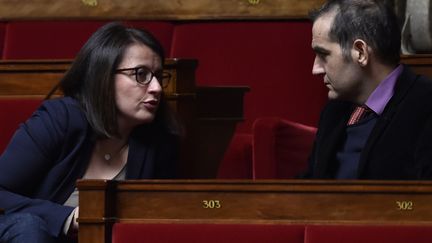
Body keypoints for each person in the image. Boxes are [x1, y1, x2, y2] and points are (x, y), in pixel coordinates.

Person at [0, 22, 180, 242]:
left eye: (158, 76)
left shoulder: (160, 142)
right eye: (140, 74)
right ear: (103, 76)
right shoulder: (61, 119)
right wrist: (69, 217)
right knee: (28, 226)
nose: (157, 88)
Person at [302, 0, 432, 179]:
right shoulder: (333, 112)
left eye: (323, 54)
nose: (315, 69)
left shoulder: (426, 106)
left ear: (360, 52)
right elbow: (309, 189)